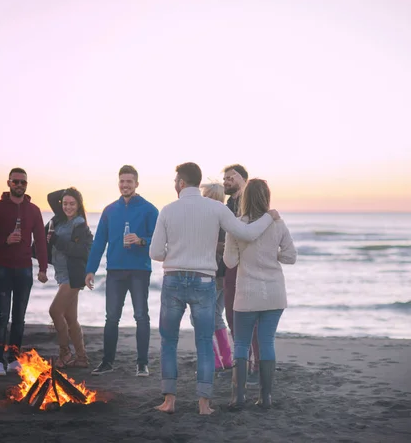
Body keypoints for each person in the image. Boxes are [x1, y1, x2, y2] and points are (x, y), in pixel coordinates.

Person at [150, 162, 280, 415]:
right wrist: (268, 217)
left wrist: (176, 256)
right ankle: (204, 404)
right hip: (204, 281)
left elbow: (155, 252)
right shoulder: (217, 209)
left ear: (180, 183)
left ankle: (169, 401)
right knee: (202, 341)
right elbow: (246, 233)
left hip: (174, 280)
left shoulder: (167, 210)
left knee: (168, 342)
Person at [223, 179, 297, 410]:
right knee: (267, 341)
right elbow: (290, 257)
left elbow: (229, 261)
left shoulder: (237, 226)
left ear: (245, 199)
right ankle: (266, 398)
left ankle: (238, 397)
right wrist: (271, 254)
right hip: (274, 293)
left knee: (242, 343)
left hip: (247, 293)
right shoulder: (278, 225)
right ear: (267, 198)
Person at [85, 165, 159, 377]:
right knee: (111, 318)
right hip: (115, 271)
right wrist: (90, 269)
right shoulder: (109, 210)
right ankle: (107, 362)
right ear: (119, 183)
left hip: (139, 270)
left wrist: (142, 240)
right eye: (122, 181)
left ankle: (142, 363)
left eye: (129, 181)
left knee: (141, 316)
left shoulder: (149, 209)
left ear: (137, 183)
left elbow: (161, 241)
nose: (125, 185)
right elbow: (99, 242)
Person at [0, 168, 49, 376]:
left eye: (23, 182)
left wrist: (43, 268)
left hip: (25, 269)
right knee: (2, 315)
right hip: (2, 268)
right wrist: (4, 241)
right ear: (8, 183)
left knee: (19, 317)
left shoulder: (33, 210)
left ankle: (13, 359)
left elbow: (41, 241)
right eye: (15, 182)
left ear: (27, 185)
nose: (19, 185)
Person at [46, 188, 93, 368]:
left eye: (72, 203)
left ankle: (64, 353)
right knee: (70, 318)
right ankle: (81, 358)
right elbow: (51, 196)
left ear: (79, 205)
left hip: (73, 276)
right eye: (65, 203)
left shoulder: (79, 224)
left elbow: (80, 251)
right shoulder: (61, 219)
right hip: (62, 274)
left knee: (55, 311)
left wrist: (56, 240)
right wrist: (69, 191)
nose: (68, 207)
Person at [222, 164, 260, 387]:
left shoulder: (253, 204)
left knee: (251, 318)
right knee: (231, 316)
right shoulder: (227, 205)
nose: (226, 181)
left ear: (244, 179)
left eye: (231, 177)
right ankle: (242, 362)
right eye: (224, 178)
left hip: (248, 267)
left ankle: (255, 363)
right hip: (230, 267)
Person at [199, 182, 232, 372]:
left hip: (213, 275)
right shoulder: (225, 217)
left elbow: (222, 246)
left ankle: (215, 360)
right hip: (223, 275)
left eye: (207, 196)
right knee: (217, 316)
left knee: (201, 318)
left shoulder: (214, 219)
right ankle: (226, 359)